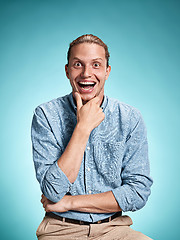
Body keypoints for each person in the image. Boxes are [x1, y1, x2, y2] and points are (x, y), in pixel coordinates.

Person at [31, 34, 153, 240]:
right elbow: (52, 191)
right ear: (67, 70)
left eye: (96, 65)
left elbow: (138, 192)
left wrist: (69, 202)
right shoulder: (46, 115)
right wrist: (83, 127)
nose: (87, 73)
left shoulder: (130, 118)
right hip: (60, 230)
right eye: (78, 64)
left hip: (114, 228)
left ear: (107, 71)